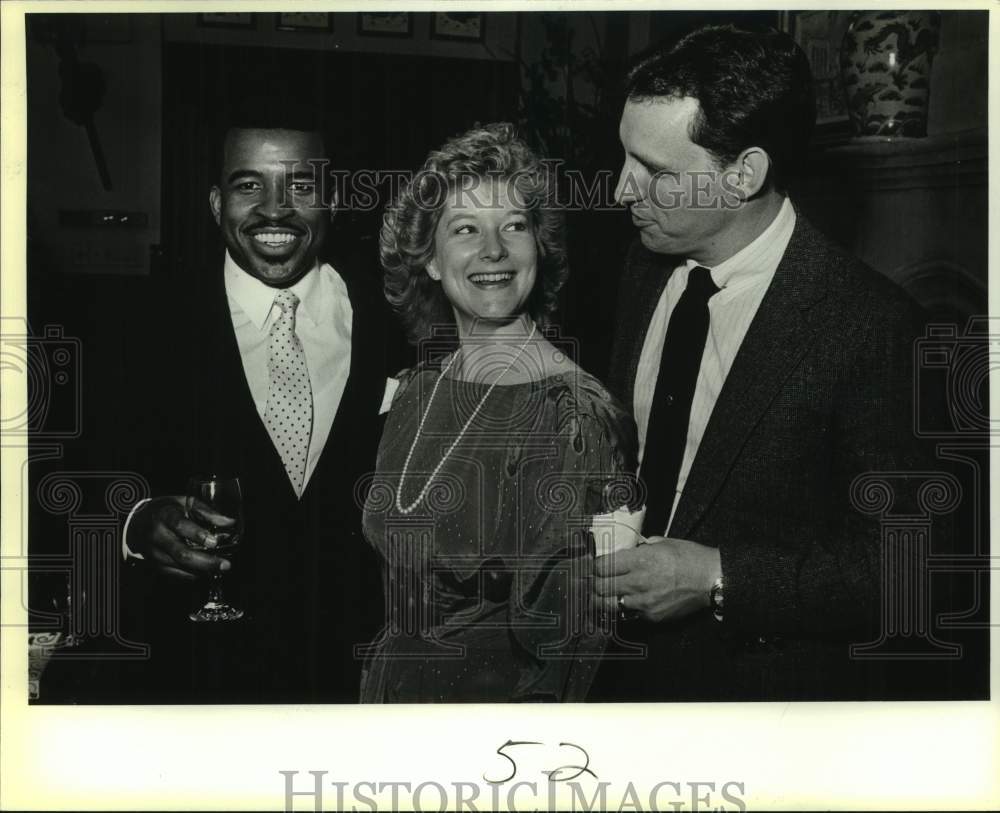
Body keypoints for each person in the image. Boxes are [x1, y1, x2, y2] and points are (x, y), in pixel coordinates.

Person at [591, 25, 944, 700]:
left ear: (744, 173)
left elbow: (909, 569)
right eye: (624, 159)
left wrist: (718, 577)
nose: (619, 191)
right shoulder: (640, 266)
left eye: (655, 173)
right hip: (616, 683)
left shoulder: (875, 326)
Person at [62, 114, 392, 702]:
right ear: (217, 204)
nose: (274, 210)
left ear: (334, 200)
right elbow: (77, 478)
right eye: (249, 186)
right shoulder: (138, 324)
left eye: (301, 186)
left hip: (349, 674)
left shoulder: (397, 320)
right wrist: (137, 524)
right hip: (193, 679)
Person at [361, 123, 638, 702]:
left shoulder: (572, 416)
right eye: (466, 229)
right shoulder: (417, 390)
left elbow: (566, 649)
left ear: (538, 247)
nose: (493, 251)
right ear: (431, 261)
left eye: (513, 226)